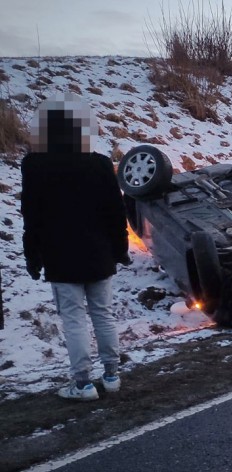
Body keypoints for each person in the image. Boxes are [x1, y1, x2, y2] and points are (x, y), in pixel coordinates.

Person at [21, 93, 130, 401]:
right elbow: (115, 210)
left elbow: (32, 215)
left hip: (60, 255)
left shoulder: (34, 165)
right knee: (103, 314)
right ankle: (112, 375)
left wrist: (33, 256)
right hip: (99, 253)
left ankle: (82, 383)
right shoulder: (98, 163)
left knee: (73, 319)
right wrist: (120, 248)